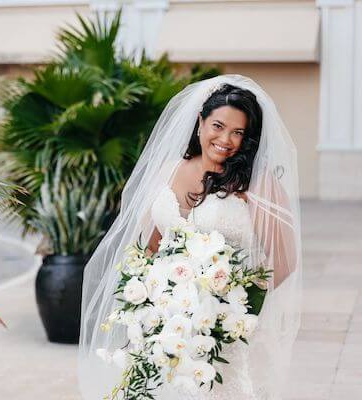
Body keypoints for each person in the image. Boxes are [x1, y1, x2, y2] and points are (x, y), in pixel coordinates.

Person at [78, 74, 302, 400]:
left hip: (223, 336)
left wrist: (229, 311)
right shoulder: (168, 169)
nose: (226, 139)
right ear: (200, 121)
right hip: (169, 329)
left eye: (238, 132)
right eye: (218, 126)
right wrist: (158, 300)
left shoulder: (257, 183)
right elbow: (152, 246)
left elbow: (284, 261)